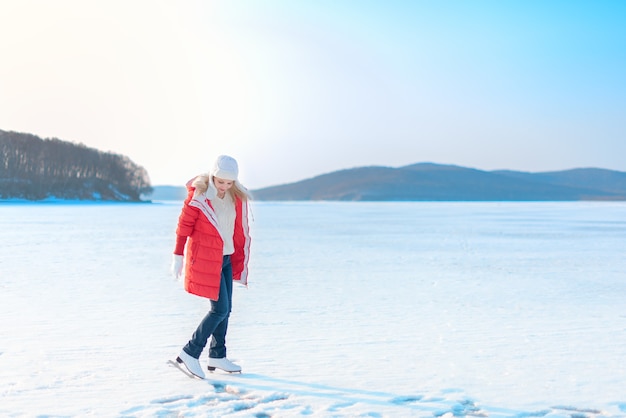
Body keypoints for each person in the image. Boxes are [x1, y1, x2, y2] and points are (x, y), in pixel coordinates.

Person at [171, 155, 252, 378]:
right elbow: (183, 227)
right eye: (220, 181)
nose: (224, 186)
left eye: (229, 182)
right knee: (219, 309)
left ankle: (217, 355)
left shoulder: (235, 196)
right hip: (209, 259)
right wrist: (178, 255)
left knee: (226, 310)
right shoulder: (199, 196)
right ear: (213, 176)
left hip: (226, 258)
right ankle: (190, 352)